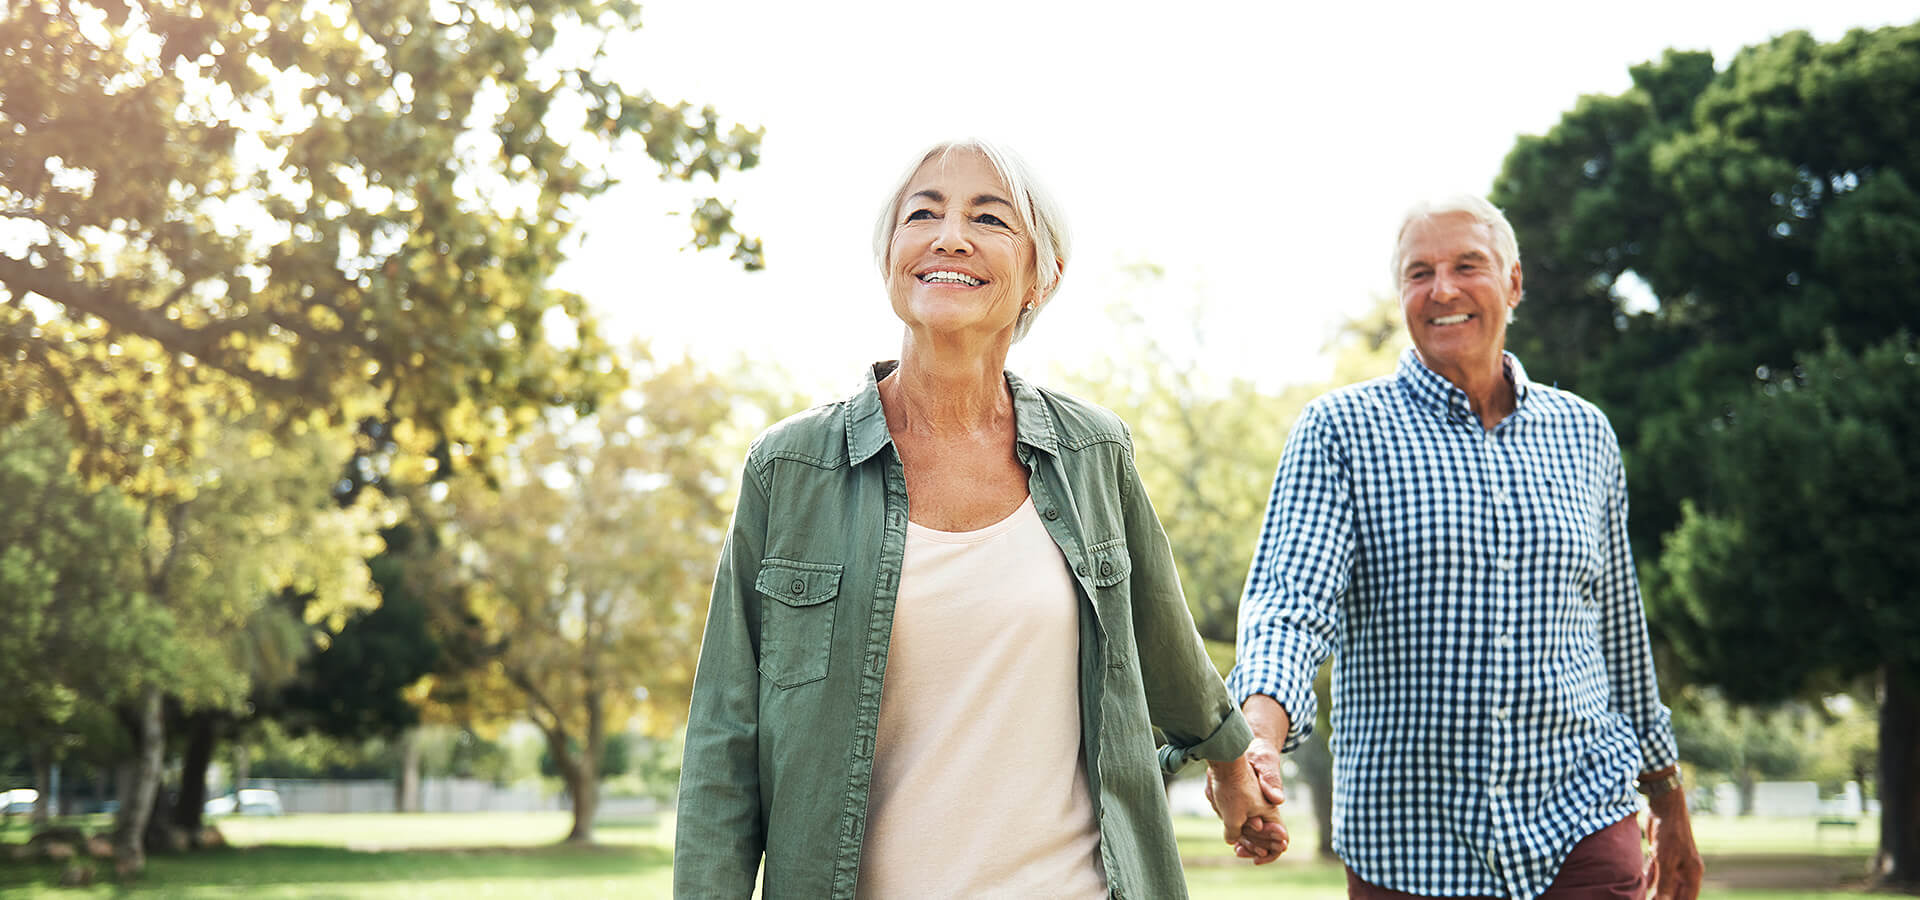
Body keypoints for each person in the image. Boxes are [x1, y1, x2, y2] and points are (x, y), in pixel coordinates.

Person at [673, 138, 1284, 899]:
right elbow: (725, 744)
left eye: (989, 217)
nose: (949, 234)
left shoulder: (1093, 451)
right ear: (891, 257)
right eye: (922, 213)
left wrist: (1233, 762)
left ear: (1041, 275)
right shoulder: (790, 468)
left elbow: (1163, 644)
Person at [1221, 196, 1705, 899]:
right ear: (1401, 297)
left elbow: (1621, 637)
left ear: (1513, 283)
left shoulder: (1585, 434)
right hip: (1409, 840)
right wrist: (1256, 736)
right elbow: (1290, 608)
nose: (1442, 289)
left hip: (1583, 820)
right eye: (1420, 273)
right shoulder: (1341, 431)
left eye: (1466, 266)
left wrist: (1667, 794)